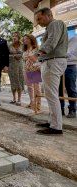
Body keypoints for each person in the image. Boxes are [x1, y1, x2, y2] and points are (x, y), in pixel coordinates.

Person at [33, 7, 68, 135]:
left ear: (48, 15)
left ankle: (56, 126)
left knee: (51, 94)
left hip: (53, 61)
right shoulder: (51, 26)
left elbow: (51, 42)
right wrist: (40, 60)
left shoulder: (55, 24)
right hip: (51, 61)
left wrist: (37, 55)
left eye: (39, 18)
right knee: (49, 94)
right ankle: (52, 121)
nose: (38, 22)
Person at [22, 34, 42, 112]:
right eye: (24, 39)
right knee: (29, 87)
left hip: (35, 69)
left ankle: (38, 105)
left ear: (31, 39)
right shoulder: (25, 50)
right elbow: (24, 59)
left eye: (27, 39)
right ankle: (32, 102)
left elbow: (39, 59)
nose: (25, 40)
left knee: (37, 88)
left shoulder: (36, 49)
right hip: (26, 69)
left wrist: (33, 58)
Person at [59, 36, 77, 118]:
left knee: (71, 88)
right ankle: (60, 109)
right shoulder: (60, 40)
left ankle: (72, 110)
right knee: (59, 88)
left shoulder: (74, 39)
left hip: (70, 65)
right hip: (59, 65)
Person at [8, 32, 24, 106]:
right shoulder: (9, 45)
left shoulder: (22, 45)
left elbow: (22, 55)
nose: (14, 37)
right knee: (12, 82)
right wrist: (14, 56)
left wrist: (13, 55)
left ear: (18, 37)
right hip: (11, 66)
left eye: (16, 36)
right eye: (13, 36)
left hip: (19, 66)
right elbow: (7, 56)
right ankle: (14, 98)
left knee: (19, 81)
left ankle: (19, 99)